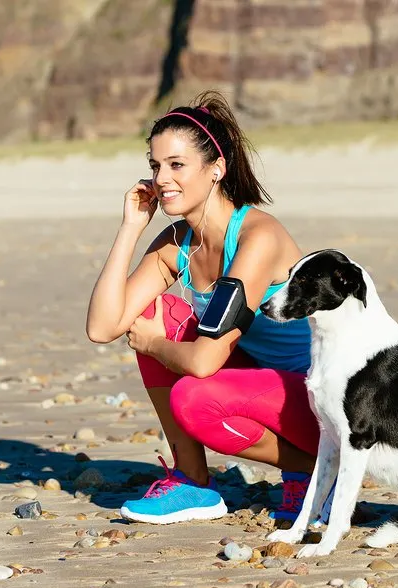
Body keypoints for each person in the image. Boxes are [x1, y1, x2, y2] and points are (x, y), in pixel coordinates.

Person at [85, 90, 324, 525]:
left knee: (194, 398)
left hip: (318, 400)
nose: (161, 178)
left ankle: (314, 471)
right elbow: (103, 326)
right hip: (264, 385)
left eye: (176, 165)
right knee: (154, 314)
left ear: (216, 169)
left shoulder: (257, 237)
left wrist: (156, 346)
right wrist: (131, 227)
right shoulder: (178, 243)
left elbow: (203, 362)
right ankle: (193, 482)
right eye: (155, 166)